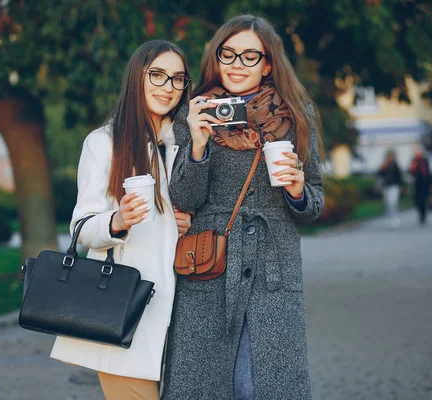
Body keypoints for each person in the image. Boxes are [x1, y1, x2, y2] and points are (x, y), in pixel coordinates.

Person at [162, 15, 325, 400]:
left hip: (274, 269)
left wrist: (299, 189)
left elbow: (313, 203)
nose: (237, 63)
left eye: (250, 55)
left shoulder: (297, 116)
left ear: (268, 63)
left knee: (259, 386)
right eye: (228, 54)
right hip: (210, 268)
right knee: (207, 386)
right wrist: (198, 147)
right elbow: (183, 201)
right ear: (215, 59)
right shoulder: (197, 112)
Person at [49, 40, 192, 400]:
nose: (168, 87)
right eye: (157, 75)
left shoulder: (182, 144)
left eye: (177, 79)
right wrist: (118, 220)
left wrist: (180, 224)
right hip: (124, 308)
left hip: (183, 311)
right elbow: (81, 229)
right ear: (136, 78)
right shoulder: (105, 143)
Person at [378, 149, 403, 227]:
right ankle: (388, 218)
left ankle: (395, 217)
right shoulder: (384, 165)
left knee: (393, 202)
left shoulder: (395, 165)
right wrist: (383, 167)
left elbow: (399, 176)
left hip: (394, 186)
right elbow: (380, 175)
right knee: (387, 203)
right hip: (386, 186)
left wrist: (401, 186)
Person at [409, 148, 431, 225]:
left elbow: (428, 172)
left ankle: (423, 215)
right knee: (418, 201)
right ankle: (420, 213)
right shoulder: (414, 161)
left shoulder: (424, 161)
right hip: (417, 184)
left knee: (424, 200)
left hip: (425, 184)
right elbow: (411, 171)